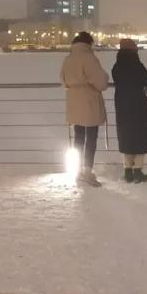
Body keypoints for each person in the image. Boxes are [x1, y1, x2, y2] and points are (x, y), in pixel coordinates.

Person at [60, 31, 109, 186]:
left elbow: (62, 79)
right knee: (91, 136)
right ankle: (87, 170)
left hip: (73, 101)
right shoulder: (89, 58)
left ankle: (79, 168)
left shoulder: (69, 59)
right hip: (89, 101)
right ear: (88, 43)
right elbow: (100, 81)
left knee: (78, 136)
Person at [112, 39, 147, 183]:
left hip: (122, 105)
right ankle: (138, 170)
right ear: (133, 50)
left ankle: (127, 171)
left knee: (125, 135)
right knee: (139, 135)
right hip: (137, 105)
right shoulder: (136, 65)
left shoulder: (116, 67)